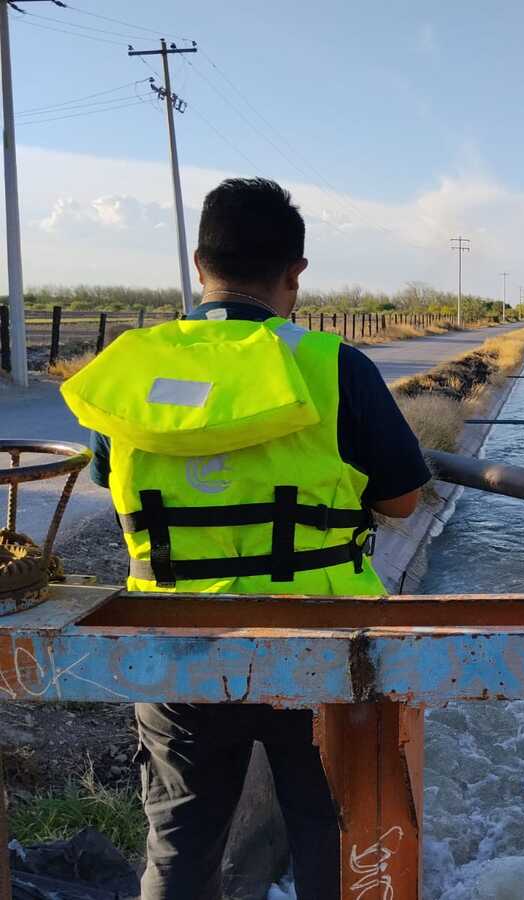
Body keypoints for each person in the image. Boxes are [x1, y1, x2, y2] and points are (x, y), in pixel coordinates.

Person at [61, 177, 431, 899]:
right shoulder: (332, 364)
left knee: (179, 840)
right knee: (338, 835)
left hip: (172, 642)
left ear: (200, 266)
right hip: (322, 641)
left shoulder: (134, 369)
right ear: (295, 273)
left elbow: (117, 481)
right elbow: (402, 501)